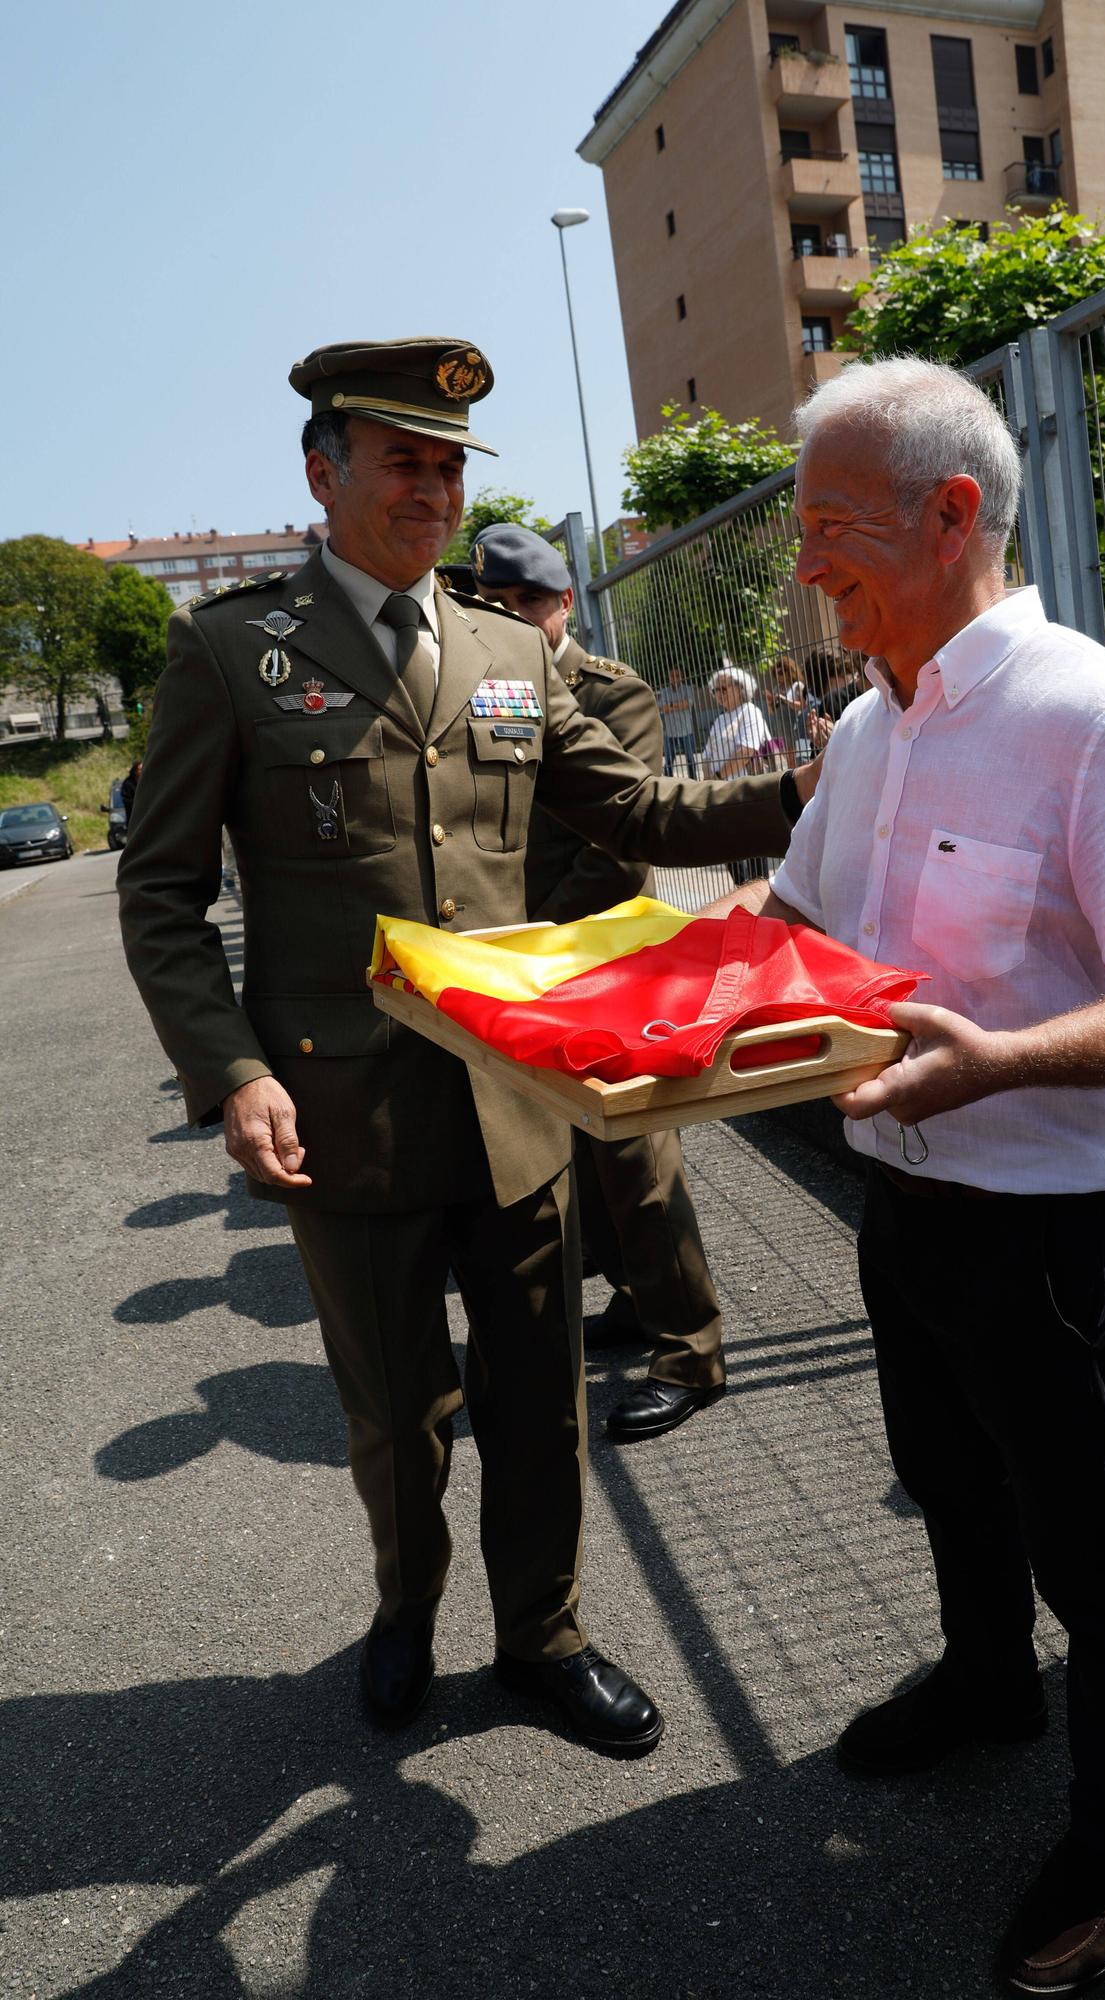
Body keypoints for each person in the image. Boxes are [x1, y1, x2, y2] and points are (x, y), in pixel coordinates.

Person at [118, 337, 815, 1753]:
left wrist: (819, 785)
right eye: (402, 461)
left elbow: (636, 814)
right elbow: (163, 890)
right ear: (324, 472)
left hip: (513, 1098)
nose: (432, 491)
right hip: (343, 1118)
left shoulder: (508, 648)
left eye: (449, 467)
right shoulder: (230, 647)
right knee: (400, 1417)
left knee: (540, 1397)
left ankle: (542, 1635)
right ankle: (406, 1616)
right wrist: (233, 1070)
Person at [708, 356, 1105, 1994]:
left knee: (1089, 1555)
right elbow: (799, 928)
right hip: (903, 1191)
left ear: (950, 514)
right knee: (945, 1477)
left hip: (1053, 1224)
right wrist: (627, 985)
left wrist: (1006, 1058)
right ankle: (980, 1683)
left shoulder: (1101, 726)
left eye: (826, 523)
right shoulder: (873, 727)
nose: (800, 559)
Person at [468, 521, 727, 1443]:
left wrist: (531, 943)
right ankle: (632, 1299)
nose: (513, 619)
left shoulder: (609, 692)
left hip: (600, 954)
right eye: (495, 605)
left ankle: (690, 1351)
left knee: (634, 1159)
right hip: (518, 957)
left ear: (564, 603)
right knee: (575, 1151)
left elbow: (615, 844)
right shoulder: (483, 687)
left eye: (529, 603)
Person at [701, 666, 775, 886]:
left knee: (753, 851)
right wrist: (710, 781)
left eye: (724, 688)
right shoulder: (719, 720)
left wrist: (716, 776)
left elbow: (746, 751)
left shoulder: (750, 711)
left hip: (747, 791)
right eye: (716, 690)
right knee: (728, 849)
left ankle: (757, 896)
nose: (720, 694)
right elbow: (705, 755)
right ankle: (743, 891)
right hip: (723, 793)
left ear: (741, 688)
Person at [656, 665, 698, 776]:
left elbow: (687, 704)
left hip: (686, 729)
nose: (674, 678)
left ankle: (693, 780)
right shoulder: (664, 691)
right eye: (672, 676)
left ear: (681, 677)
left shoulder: (687, 689)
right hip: (670, 731)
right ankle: (669, 780)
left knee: (690, 758)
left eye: (677, 675)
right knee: (669, 760)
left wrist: (670, 705)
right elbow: (660, 708)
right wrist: (678, 705)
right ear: (669, 677)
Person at [121, 759, 142, 829]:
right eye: (139, 769)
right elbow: (126, 800)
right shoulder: (128, 783)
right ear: (135, 771)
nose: (141, 771)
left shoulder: (145, 782)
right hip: (133, 819)